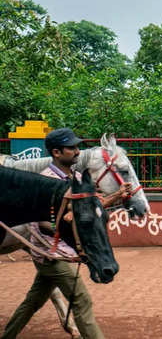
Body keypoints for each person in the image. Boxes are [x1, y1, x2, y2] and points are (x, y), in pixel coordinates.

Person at [2, 128, 129, 339]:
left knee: (33, 301)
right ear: (56, 153)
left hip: (66, 250)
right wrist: (63, 225)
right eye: (71, 148)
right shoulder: (45, 180)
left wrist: (116, 196)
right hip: (50, 254)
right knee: (81, 299)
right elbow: (34, 224)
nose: (78, 152)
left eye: (77, 147)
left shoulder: (77, 178)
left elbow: (88, 209)